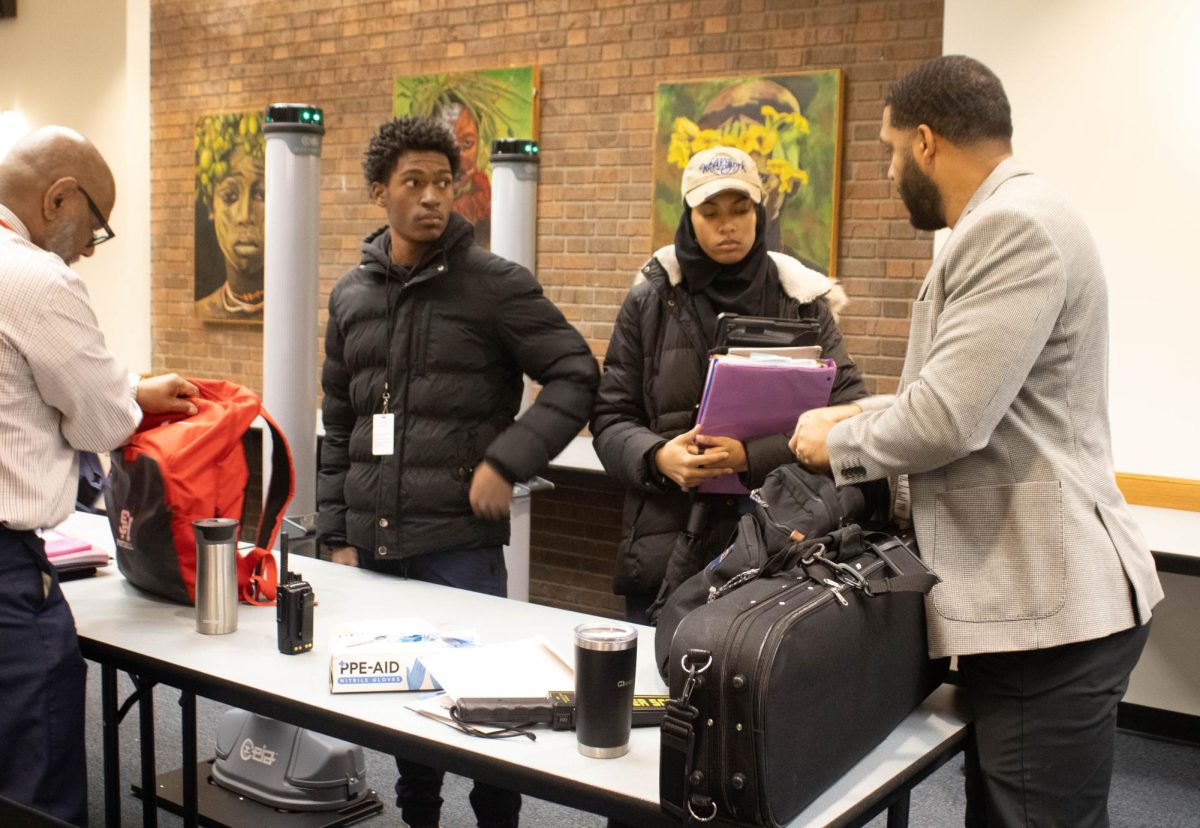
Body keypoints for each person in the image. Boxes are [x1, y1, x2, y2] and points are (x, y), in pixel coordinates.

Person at [788, 56, 1164, 827]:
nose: (891, 172)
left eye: (892, 151)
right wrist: (858, 413)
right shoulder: (1015, 216)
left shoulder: (1011, 228)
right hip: (1038, 605)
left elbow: (953, 420)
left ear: (926, 142)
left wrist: (843, 444)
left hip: (1049, 613)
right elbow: (988, 392)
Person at [316, 116, 598, 828]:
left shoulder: (494, 284)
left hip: (459, 547)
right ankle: (419, 820)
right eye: (414, 182)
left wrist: (510, 460)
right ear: (379, 190)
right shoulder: (350, 296)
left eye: (444, 183)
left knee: (486, 709)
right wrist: (335, 532)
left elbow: (574, 374)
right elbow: (340, 423)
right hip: (376, 546)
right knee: (411, 711)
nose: (432, 197)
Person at [0, 126, 199, 825]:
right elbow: (100, 425)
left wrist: (124, 389)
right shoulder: (35, 278)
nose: (89, 247)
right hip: (5, 583)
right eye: (96, 227)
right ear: (58, 197)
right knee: (35, 787)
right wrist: (125, 398)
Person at [590, 146, 869, 624]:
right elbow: (611, 417)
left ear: (759, 213)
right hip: (666, 547)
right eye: (710, 212)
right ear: (689, 217)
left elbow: (851, 413)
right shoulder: (649, 303)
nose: (728, 225)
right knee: (654, 693)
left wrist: (751, 456)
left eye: (741, 210)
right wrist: (658, 458)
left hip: (779, 548)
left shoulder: (801, 303)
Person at [194, 113, 266, 321]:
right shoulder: (203, 311)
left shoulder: (295, 316)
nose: (245, 216)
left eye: (261, 194)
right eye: (229, 196)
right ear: (211, 205)